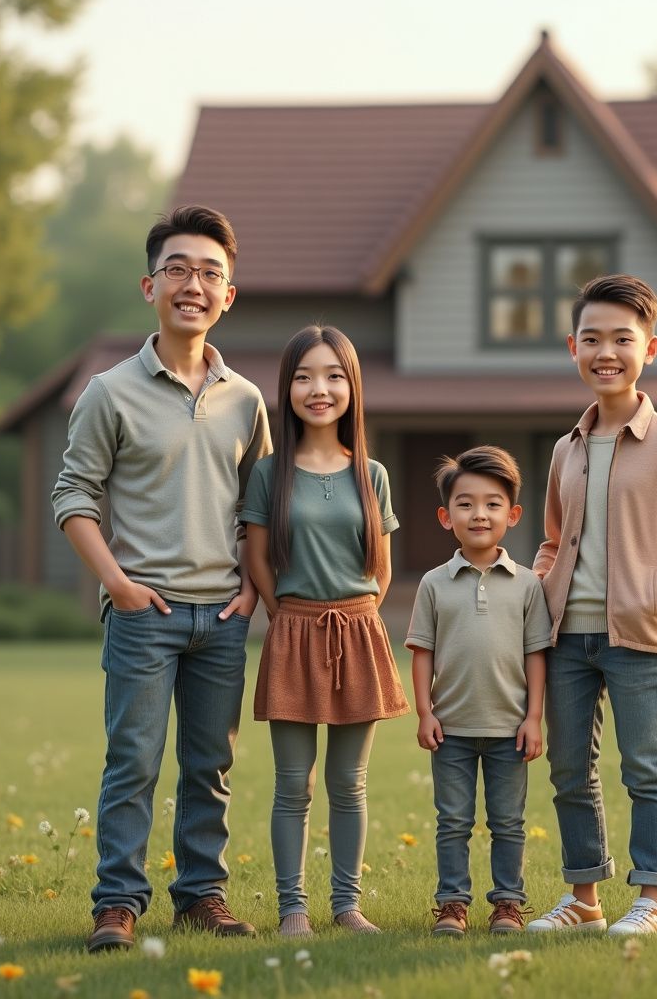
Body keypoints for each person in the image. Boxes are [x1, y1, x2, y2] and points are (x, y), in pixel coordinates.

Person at [51, 205, 271, 952]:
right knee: (134, 763)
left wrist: (250, 590)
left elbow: (259, 507)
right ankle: (117, 903)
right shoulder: (109, 392)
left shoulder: (247, 399)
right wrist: (116, 583)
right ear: (150, 285)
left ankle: (201, 896)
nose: (194, 284)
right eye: (178, 269)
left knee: (211, 765)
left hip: (223, 618)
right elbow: (73, 495)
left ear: (228, 295)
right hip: (142, 612)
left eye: (211, 273)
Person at [526, 274, 657, 937]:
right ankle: (583, 900)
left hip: (640, 635)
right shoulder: (565, 449)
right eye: (591, 339)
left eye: (621, 339)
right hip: (566, 640)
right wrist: (534, 593)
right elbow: (553, 543)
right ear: (572, 348)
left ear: (651, 348)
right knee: (567, 772)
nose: (604, 351)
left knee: (646, 766)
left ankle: (654, 903)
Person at [242, 324, 409, 937]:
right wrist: (282, 618)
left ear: (352, 387)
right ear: (286, 388)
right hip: (292, 631)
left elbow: (382, 568)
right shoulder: (268, 473)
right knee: (293, 784)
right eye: (305, 377)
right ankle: (293, 910)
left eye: (334, 376)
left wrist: (357, 619)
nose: (320, 389)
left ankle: (347, 907)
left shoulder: (373, 473)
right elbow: (257, 558)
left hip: (359, 634)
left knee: (349, 782)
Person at [406, 446, 551, 937]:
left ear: (512, 515)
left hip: (510, 729)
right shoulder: (433, 584)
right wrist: (425, 713)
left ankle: (508, 903)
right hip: (451, 729)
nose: (479, 514)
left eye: (492, 504)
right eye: (465, 504)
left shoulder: (529, 585)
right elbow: (421, 650)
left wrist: (534, 717)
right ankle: (452, 904)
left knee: (508, 822)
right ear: (446, 517)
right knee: (453, 822)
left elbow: (536, 654)